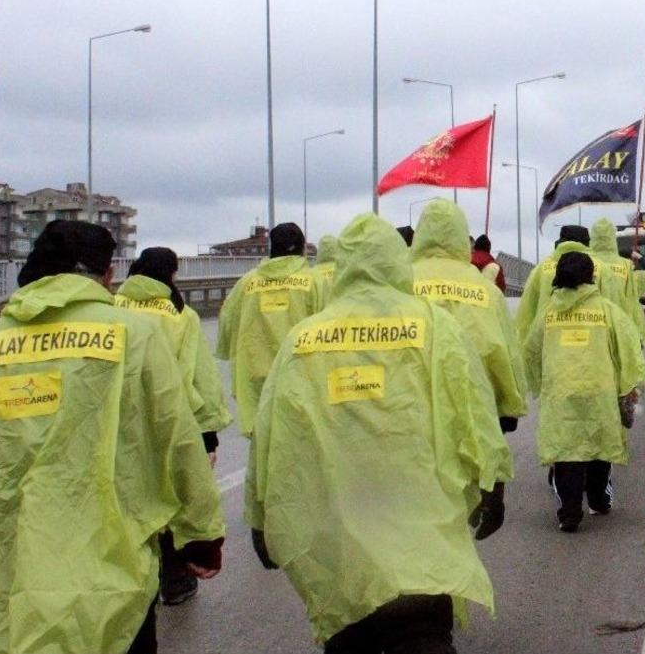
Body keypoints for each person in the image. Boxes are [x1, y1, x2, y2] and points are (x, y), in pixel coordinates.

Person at [245, 213, 512, 653]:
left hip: (340, 536)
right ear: (397, 261)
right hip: (421, 524)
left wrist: (260, 517)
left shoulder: (302, 339)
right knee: (423, 633)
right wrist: (493, 484)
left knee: (350, 631)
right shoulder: (436, 329)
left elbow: (271, 435)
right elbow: (476, 415)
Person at [0, 221, 224, 654]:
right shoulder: (135, 335)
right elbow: (176, 440)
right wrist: (200, 534)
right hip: (110, 575)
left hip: (13, 576)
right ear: (105, 276)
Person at [115, 246, 232, 606]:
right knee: (172, 497)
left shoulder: (110, 310)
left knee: (126, 501)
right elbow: (201, 378)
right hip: (170, 420)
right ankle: (175, 578)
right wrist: (207, 432)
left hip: (119, 423)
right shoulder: (181, 316)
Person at [524, 251, 645, 532]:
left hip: (561, 391)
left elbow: (531, 352)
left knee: (567, 451)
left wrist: (539, 384)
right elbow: (629, 351)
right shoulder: (607, 311)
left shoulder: (548, 314)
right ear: (592, 276)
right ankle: (598, 500)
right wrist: (631, 386)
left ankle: (569, 512)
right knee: (598, 445)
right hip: (599, 390)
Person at [412, 199, 527, 431]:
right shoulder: (487, 292)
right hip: (475, 403)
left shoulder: (400, 282)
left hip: (414, 408)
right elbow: (506, 349)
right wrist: (510, 402)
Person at [216, 222, 324, 435]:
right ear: (302, 248)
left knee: (263, 439)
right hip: (301, 372)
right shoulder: (314, 282)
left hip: (255, 371)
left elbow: (227, 321)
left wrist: (228, 349)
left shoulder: (247, 283)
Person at [515, 224, 607, 344]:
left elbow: (527, 311)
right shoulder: (601, 268)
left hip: (549, 338)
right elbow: (613, 304)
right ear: (587, 243)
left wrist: (525, 345)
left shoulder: (541, 268)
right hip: (593, 340)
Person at [589, 218, 645, 347]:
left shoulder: (585, 262)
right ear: (613, 238)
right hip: (622, 325)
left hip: (593, 326)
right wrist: (638, 257)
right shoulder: (625, 266)